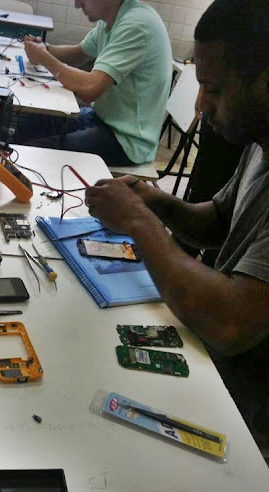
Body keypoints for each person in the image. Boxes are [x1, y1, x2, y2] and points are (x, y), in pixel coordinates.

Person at [85, 0, 269, 454]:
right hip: (224, 368)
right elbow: (220, 221)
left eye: (214, 89)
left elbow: (231, 322)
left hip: (251, 416)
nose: (201, 105)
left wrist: (138, 221)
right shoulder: (260, 143)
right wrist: (157, 203)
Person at [14, 0, 172, 166]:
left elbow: (90, 89)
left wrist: (45, 58)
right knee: (31, 123)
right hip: (102, 119)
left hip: (127, 141)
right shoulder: (111, 20)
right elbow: (78, 54)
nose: (77, 4)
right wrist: (44, 49)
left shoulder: (136, 25)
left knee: (32, 154)